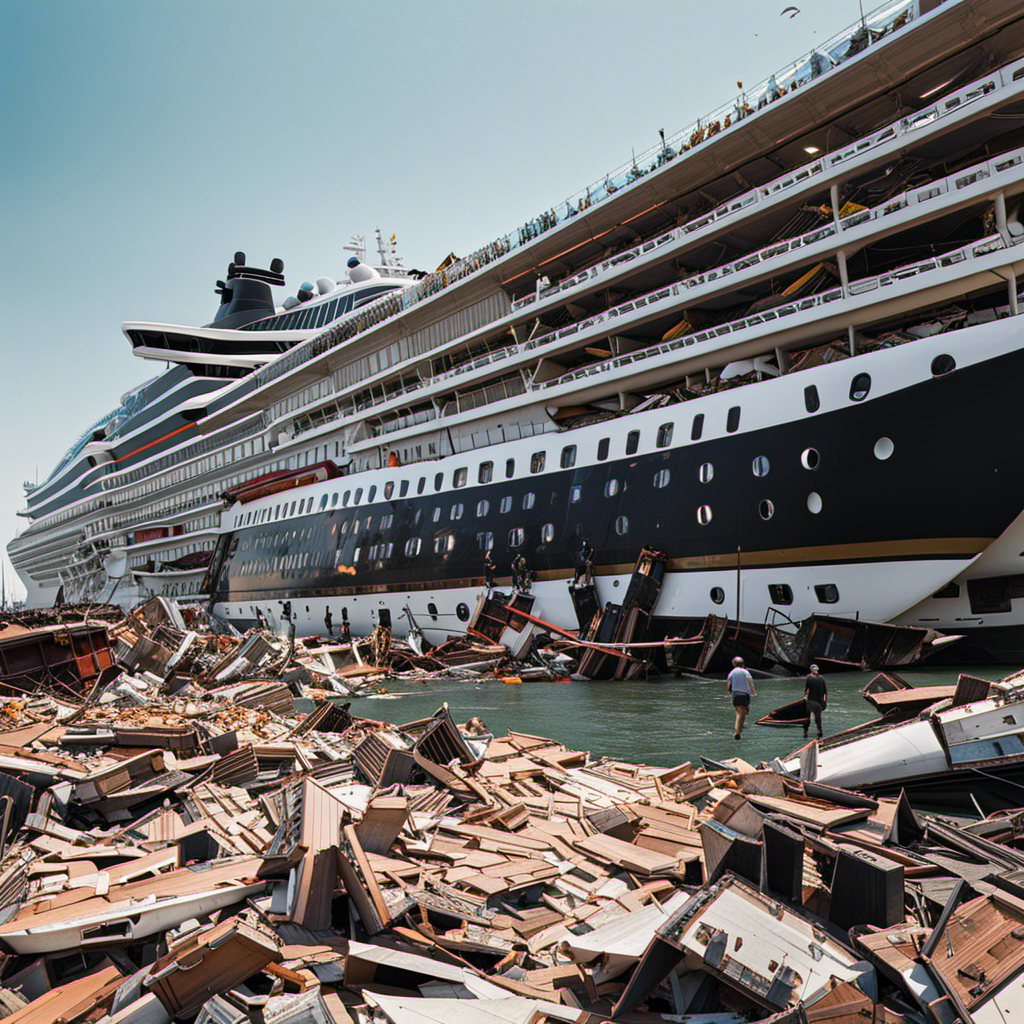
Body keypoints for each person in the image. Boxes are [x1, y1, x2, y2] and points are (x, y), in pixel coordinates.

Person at [726, 656, 757, 740]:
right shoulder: (745, 672)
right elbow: (750, 681)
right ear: (743, 664)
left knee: (739, 712)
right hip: (744, 694)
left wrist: (729, 693)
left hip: (735, 694)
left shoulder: (731, 673)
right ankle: (738, 732)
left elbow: (728, 685)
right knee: (742, 713)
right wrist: (753, 692)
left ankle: (738, 728)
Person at [804, 664, 828, 738]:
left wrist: (805, 698)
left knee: (807, 717)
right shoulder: (821, 678)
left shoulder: (809, 678)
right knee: (818, 718)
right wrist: (824, 703)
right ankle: (819, 731)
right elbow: (825, 692)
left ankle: (805, 732)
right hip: (819, 702)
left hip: (811, 701)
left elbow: (807, 690)